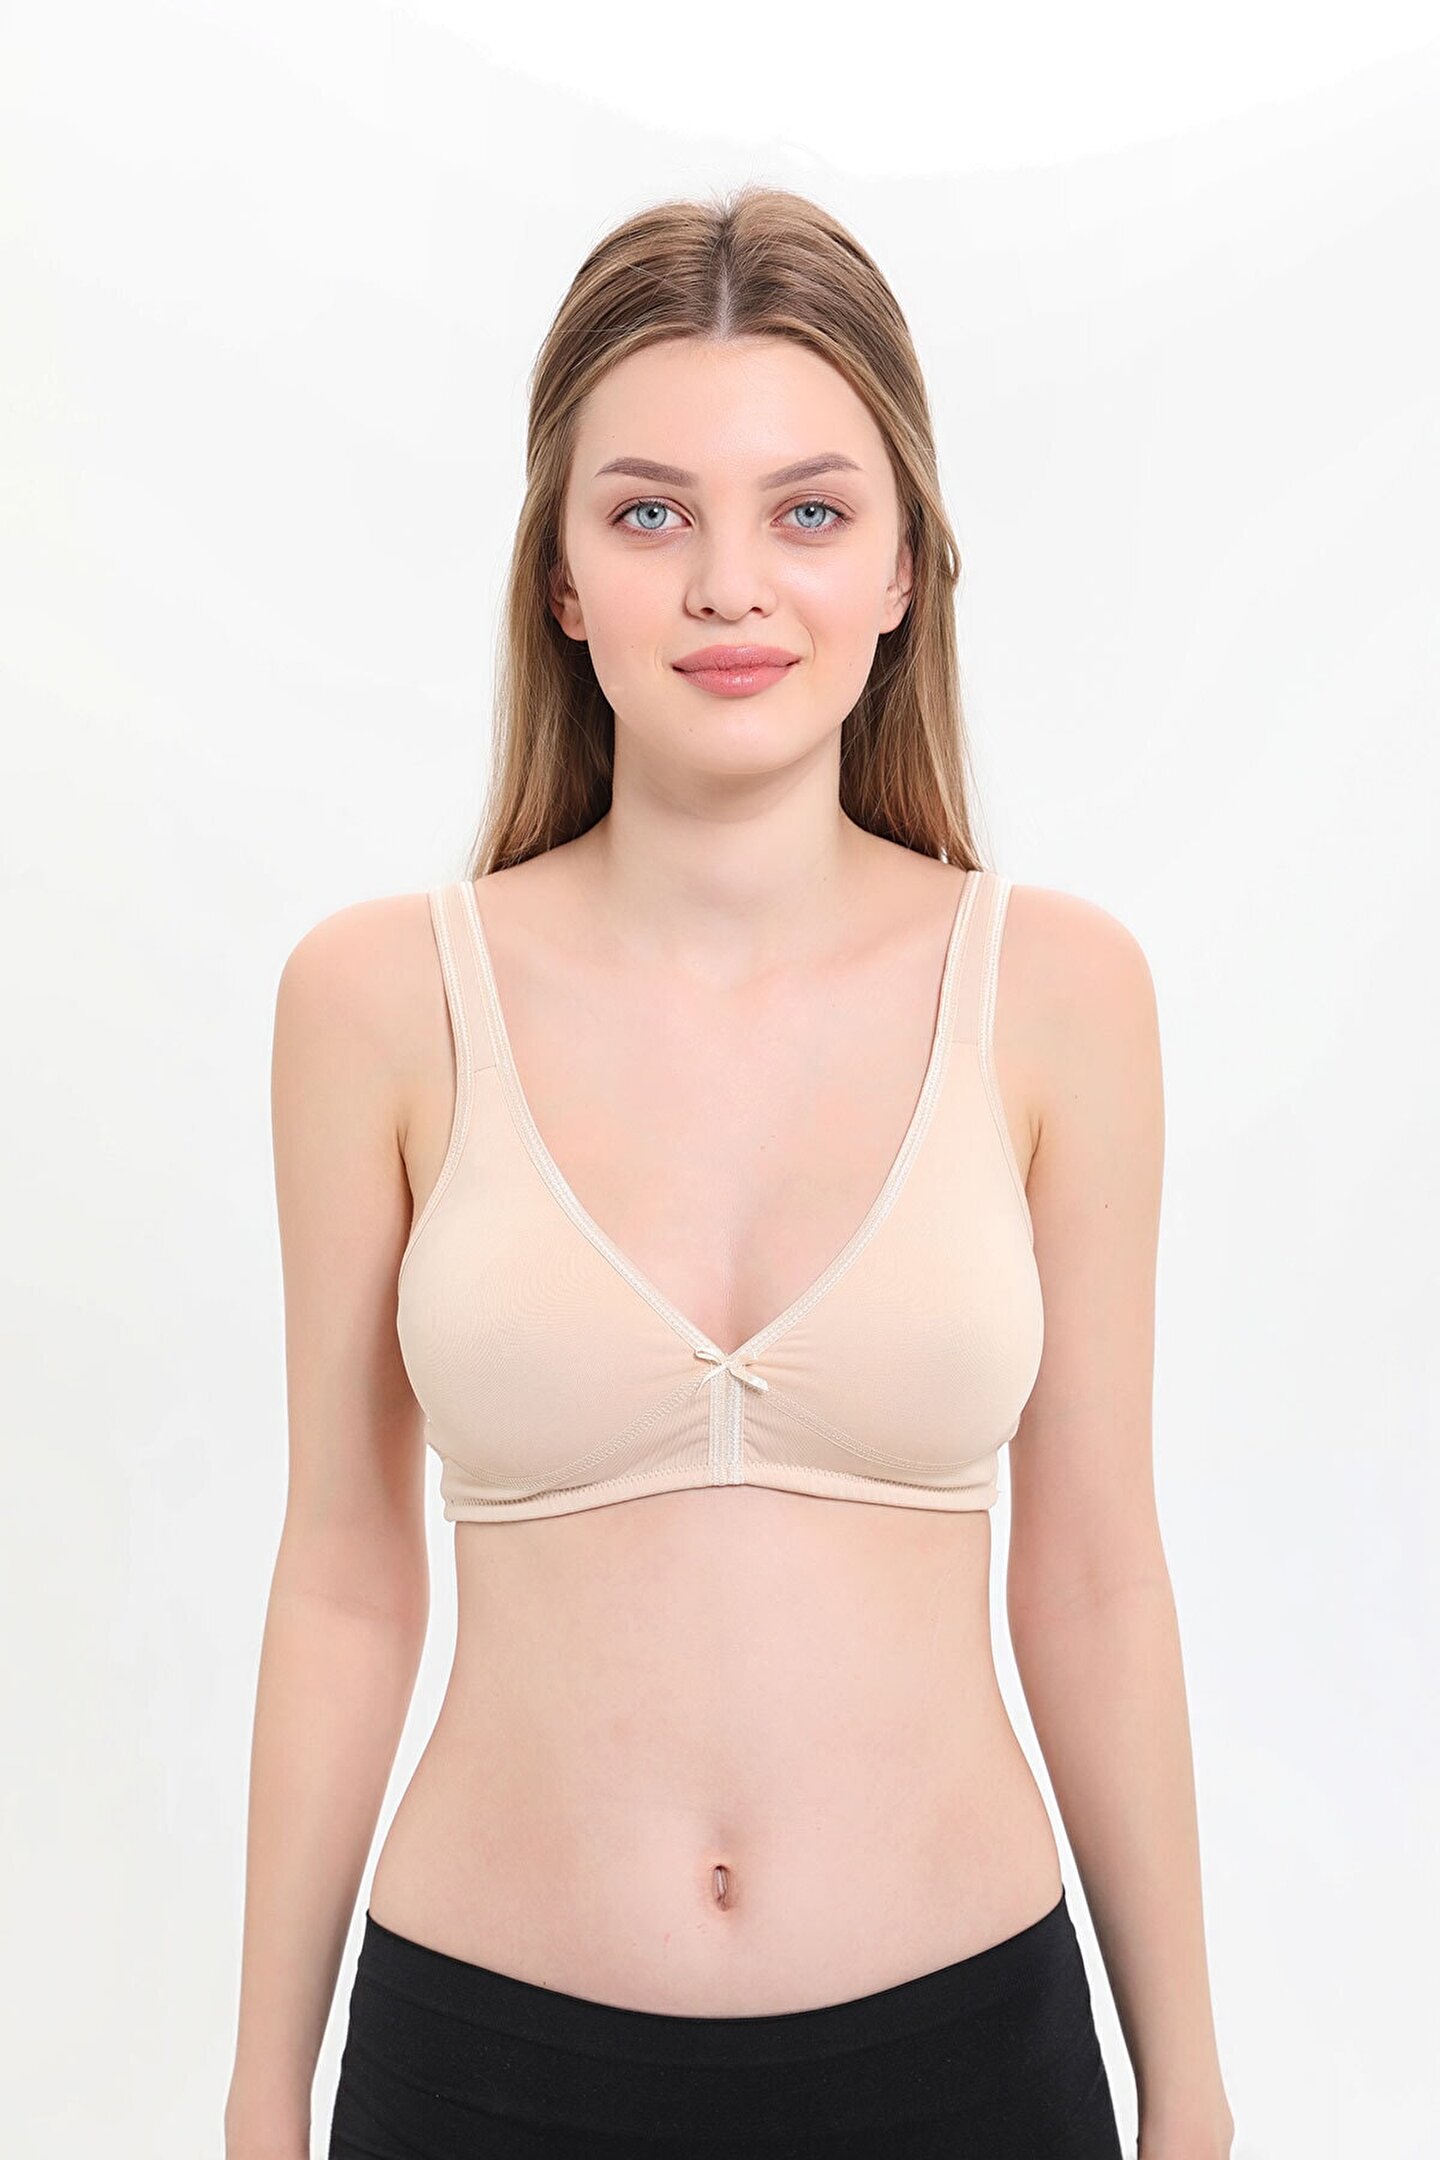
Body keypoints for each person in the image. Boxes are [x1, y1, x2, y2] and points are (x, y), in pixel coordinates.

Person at [224, 185, 1234, 2159]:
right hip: (482, 2064)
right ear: (561, 576)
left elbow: (1099, 1573)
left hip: (967, 2063)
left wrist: (1186, 2087)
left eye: (810, 512)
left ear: (904, 568)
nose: (728, 587)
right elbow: (342, 1576)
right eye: (649, 513)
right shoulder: (377, 1001)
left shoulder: (1058, 993)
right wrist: (265, 2092)